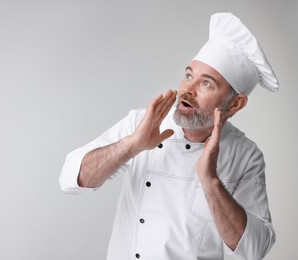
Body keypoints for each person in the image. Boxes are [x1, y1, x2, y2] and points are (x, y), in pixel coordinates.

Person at [59, 13, 278, 260]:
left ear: (235, 104)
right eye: (188, 76)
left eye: (206, 84)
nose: (188, 90)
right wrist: (132, 145)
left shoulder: (245, 156)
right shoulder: (142, 123)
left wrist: (211, 181)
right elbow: (70, 179)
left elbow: (255, 250)